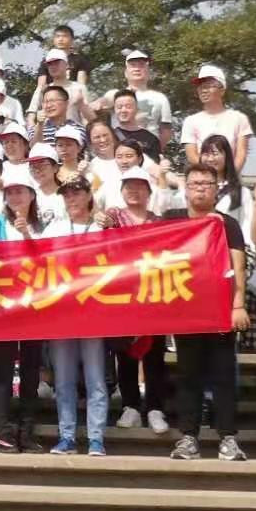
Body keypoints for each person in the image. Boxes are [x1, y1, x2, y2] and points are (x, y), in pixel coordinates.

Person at [167, 163, 251, 462]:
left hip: (219, 311)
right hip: (186, 312)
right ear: (186, 189)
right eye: (195, 183)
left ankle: (227, 437)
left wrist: (238, 305)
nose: (200, 188)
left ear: (217, 190)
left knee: (223, 375)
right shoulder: (172, 220)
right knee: (188, 375)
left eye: (207, 183)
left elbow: (238, 266)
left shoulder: (228, 224)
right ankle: (188, 437)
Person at [0, 166, 50, 453]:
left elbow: (49, 258)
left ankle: (26, 432)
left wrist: (27, 234)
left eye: (20, 191)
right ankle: (4, 433)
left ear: (31, 195)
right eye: (10, 192)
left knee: (30, 373)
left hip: (34, 307)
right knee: (2, 372)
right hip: (3, 308)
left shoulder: (44, 224)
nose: (15, 196)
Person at [106, 165, 172, 435]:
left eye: (140, 187)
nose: (134, 191)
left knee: (154, 354)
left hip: (153, 295)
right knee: (125, 353)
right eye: (129, 187)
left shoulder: (159, 222)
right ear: (122, 191)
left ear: (149, 192)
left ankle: (155, 407)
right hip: (122, 295)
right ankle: (130, 405)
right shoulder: (112, 218)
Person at [47, 177, 109, 456]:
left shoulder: (101, 227)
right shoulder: (55, 228)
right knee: (63, 380)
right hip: (61, 313)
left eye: (76, 193)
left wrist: (111, 226)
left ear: (88, 196)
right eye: (67, 195)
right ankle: (67, 436)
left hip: (94, 312)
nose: (71, 199)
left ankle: (96, 438)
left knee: (95, 378)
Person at [93, 50, 173, 149]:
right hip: (121, 150)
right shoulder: (116, 94)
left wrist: (156, 151)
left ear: (148, 72)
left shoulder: (160, 98)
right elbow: (106, 100)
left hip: (150, 149)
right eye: (133, 65)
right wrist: (98, 103)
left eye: (141, 65)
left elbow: (166, 130)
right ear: (126, 73)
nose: (137, 69)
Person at [180, 64, 252, 171]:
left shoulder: (239, 119)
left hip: (231, 178)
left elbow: (241, 154)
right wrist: (209, 176)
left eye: (208, 86)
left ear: (222, 90)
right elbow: (192, 155)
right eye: (201, 87)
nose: (203, 90)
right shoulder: (190, 121)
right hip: (203, 177)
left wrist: (229, 176)